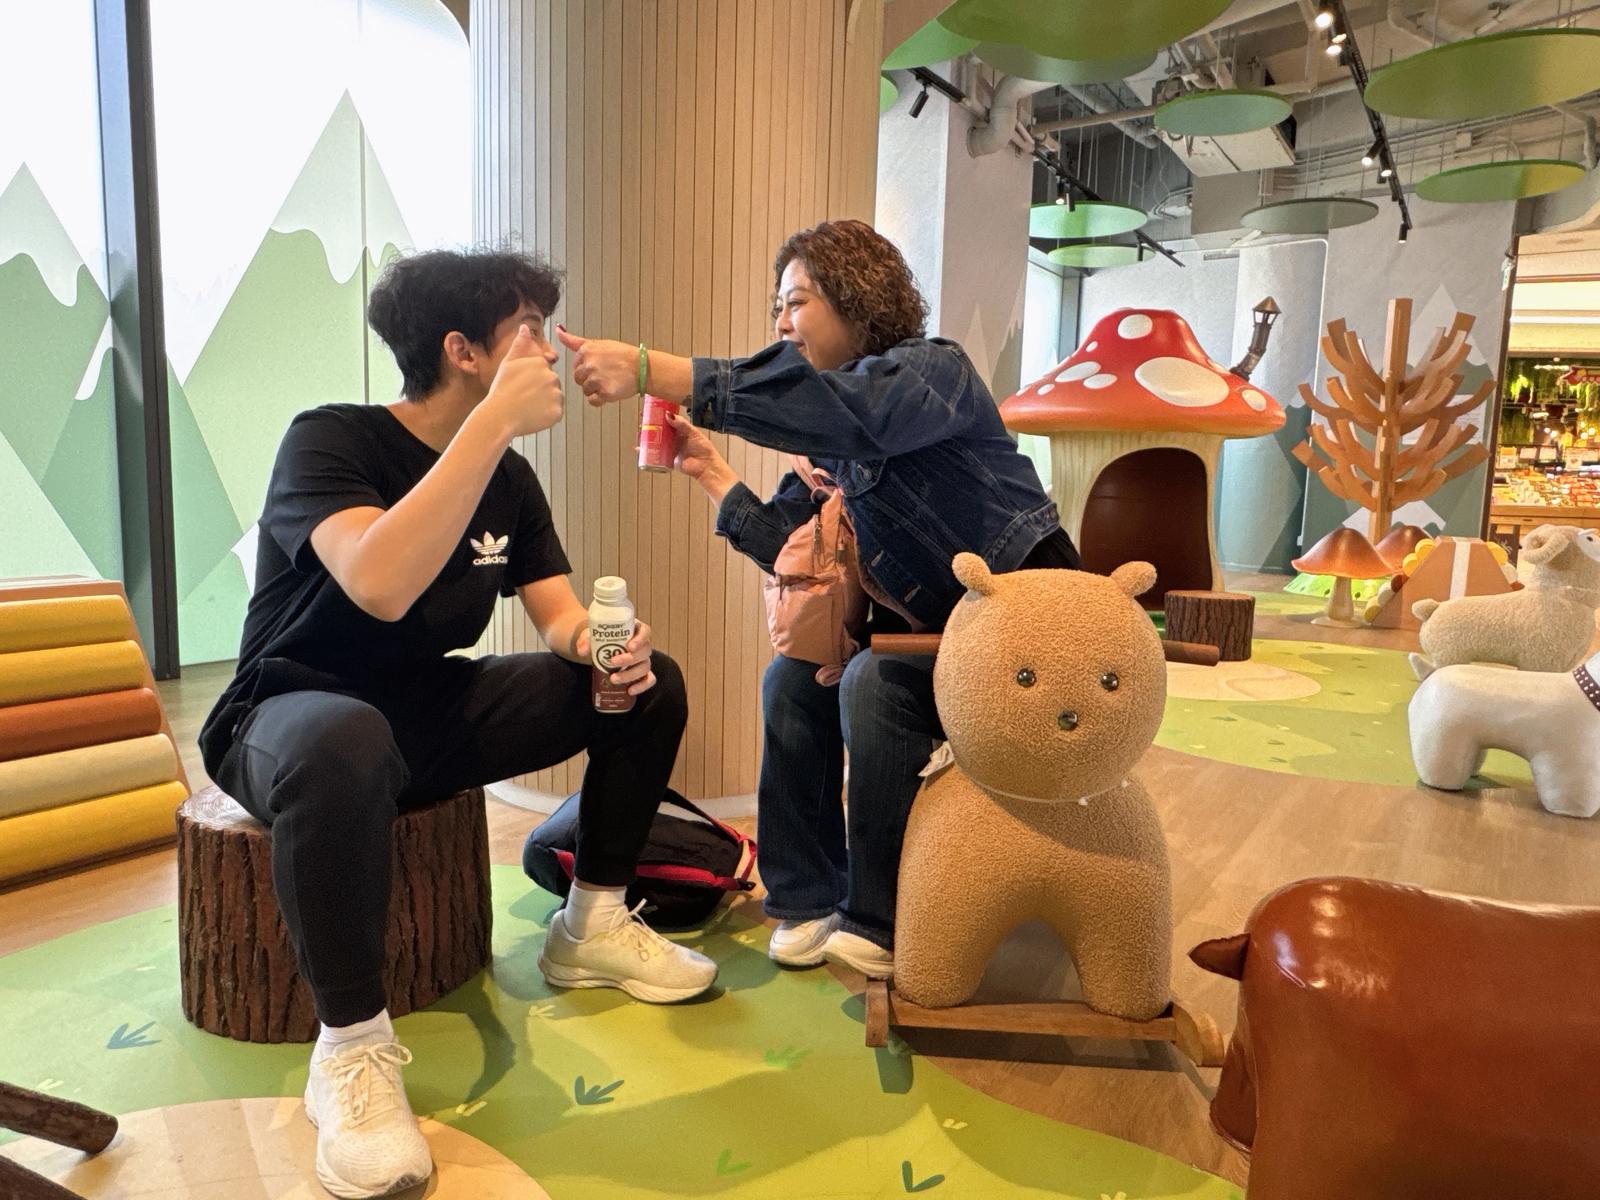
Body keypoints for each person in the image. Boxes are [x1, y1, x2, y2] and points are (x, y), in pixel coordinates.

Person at [198, 248, 715, 1200]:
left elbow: (556, 614)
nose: (554, 351)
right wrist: (489, 429)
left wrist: (604, 645)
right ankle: (351, 1049)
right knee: (345, 739)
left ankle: (592, 921)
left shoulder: (509, 480)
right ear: (462, 351)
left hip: (421, 710)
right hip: (286, 713)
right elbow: (380, 583)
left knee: (651, 685)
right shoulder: (330, 440)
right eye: (532, 331)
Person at [556, 219, 1078, 981]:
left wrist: (648, 369)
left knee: (870, 679)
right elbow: (789, 551)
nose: (780, 322)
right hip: (940, 644)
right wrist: (709, 471)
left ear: (858, 299)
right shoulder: (826, 446)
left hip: (1034, 632)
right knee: (792, 681)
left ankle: (883, 917)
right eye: (778, 305)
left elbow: (858, 415)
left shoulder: (934, 371)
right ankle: (809, 899)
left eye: (796, 301)